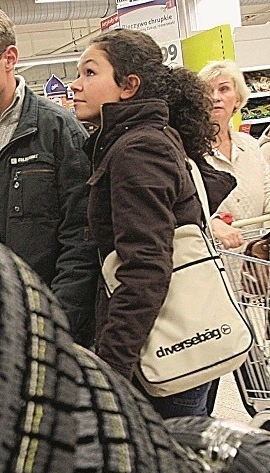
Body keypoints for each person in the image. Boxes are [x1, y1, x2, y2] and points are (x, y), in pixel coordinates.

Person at [70, 28, 236, 419]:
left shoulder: (137, 149)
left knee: (165, 469)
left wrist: (110, 369)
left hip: (163, 353)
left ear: (129, 86)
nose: (75, 85)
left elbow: (146, 267)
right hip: (181, 342)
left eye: (90, 73)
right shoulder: (144, 139)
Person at [0, 3, 97, 347]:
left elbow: (82, 237)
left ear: (9, 57)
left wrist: (60, 322)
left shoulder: (57, 130)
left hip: (53, 319)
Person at [198, 60, 270, 249]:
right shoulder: (190, 152)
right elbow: (182, 208)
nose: (215, 97)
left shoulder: (251, 147)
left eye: (224, 89)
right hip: (215, 266)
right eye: (208, 91)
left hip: (256, 266)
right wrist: (212, 223)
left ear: (238, 99)